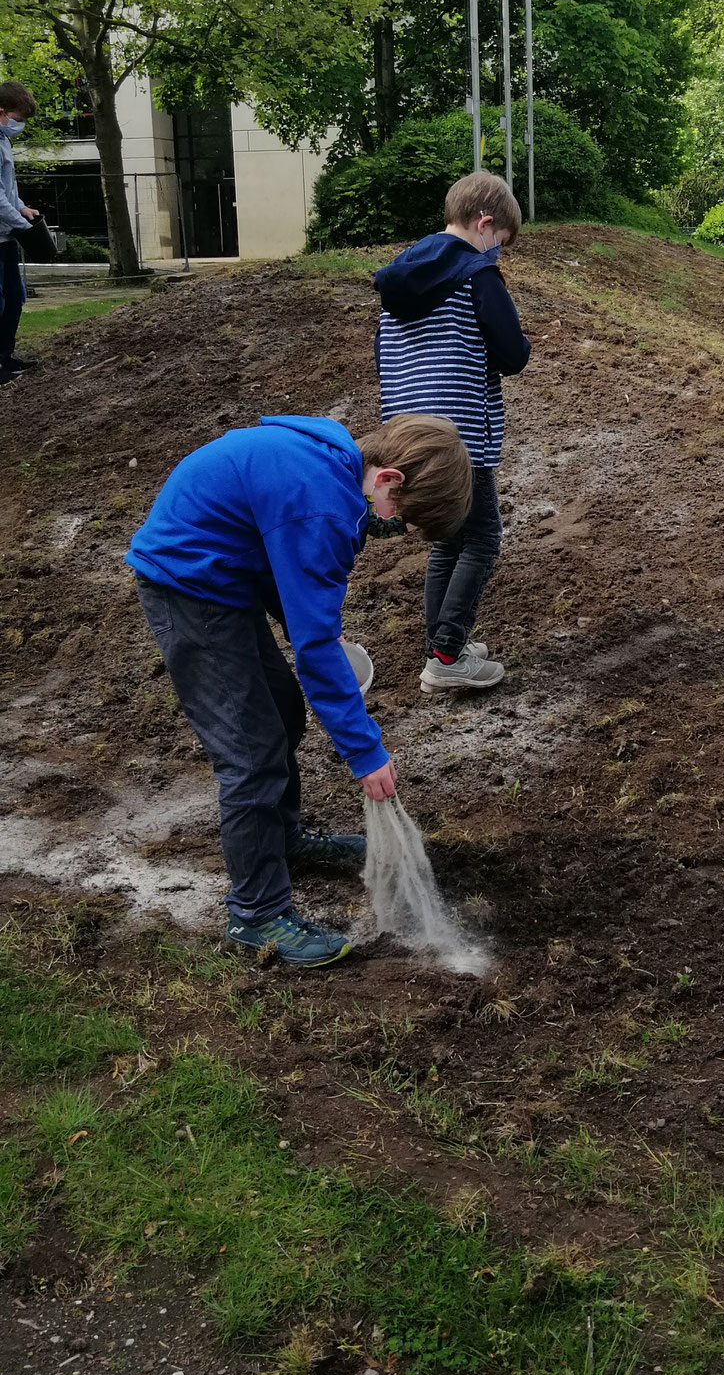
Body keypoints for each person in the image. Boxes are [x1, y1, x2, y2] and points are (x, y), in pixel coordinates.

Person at [125, 412, 472, 966]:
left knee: (284, 711)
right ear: (388, 481)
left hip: (227, 575)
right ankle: (257, 912)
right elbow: (313, 649)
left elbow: (294, 591)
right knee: (250, 752)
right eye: (400, 518)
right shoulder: (322, 507)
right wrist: (366, 753)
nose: (394, 530)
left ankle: (283, 840)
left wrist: (320, 639)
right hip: (188, 585)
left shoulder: (338, 465)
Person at [374, 171, 530, 695]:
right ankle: (445, 656)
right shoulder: (476, 274)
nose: (498, 255)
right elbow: (514, 355)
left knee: (447, 539)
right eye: (500, 244)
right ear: (485, 224)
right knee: (483, 537)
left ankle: (442, 644)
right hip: (460, 435)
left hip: (407, 433)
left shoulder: (399, 278)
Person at [0, 80, 41, 385]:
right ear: (2, 113)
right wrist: (21, 223)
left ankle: (5, 356)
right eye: (18, 120)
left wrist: (22, 208)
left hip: (6, 236)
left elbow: (8, 189)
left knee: (15, 297)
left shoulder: (4, 140)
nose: (19, 126)